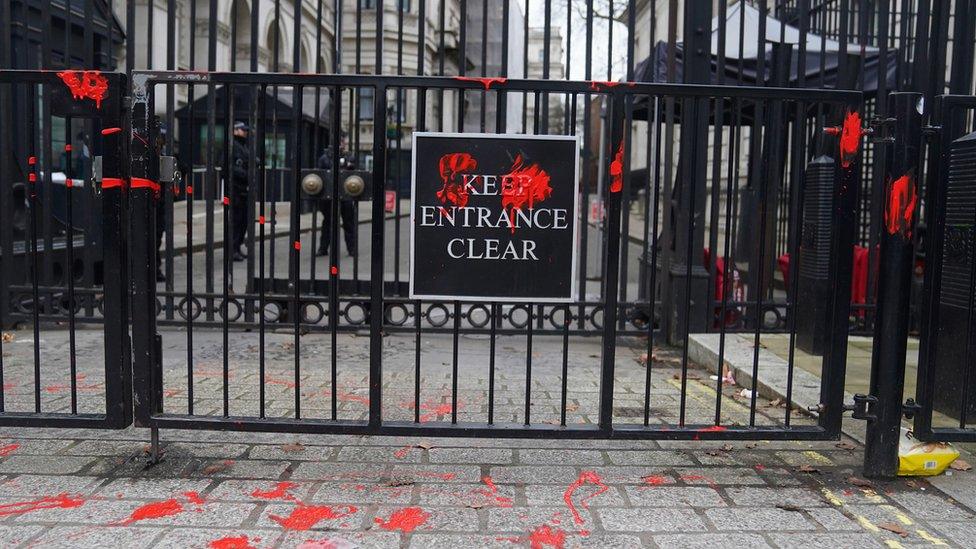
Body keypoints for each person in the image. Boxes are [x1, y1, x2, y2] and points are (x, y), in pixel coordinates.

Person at [316, 133, 357, 257]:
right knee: (328, 222)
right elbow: (321, 176)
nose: (344, 145)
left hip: (346, 195)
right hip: (329, 196)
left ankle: (352, 249)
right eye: (343, 142)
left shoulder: (349, 157)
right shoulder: (325, 158)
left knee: (348, 223)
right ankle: (323, 248)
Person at [230, 121, 251, 262]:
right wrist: (246, 174)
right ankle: (233, 249)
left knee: (243, 221)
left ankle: (237, 247)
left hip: (244, 190)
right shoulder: (233, 146)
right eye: (243, 130)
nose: (245, 132)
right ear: (235, 130)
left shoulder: (242, 146)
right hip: (236, 190)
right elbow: (230, 167)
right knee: (236, 221)